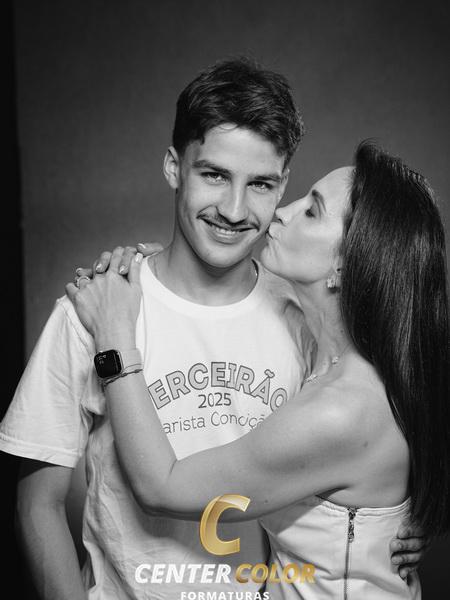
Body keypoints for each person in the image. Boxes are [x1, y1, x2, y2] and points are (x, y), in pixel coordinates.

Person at [0, 59, 424, 600]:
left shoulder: (307, 322)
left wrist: (400, 519)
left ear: (282, 185)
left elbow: (374, 443)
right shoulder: (97, 308)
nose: (234, 209)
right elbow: (36, 505)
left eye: (261, 184)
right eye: (215, 175)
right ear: (174, 167)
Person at [65, 140, 449, 599]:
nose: (281, 212)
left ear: (346, 264)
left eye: (312, 211)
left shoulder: (340, 410)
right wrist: (163, 273)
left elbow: (160, 487)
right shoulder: (334, 361)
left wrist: (114, 334)